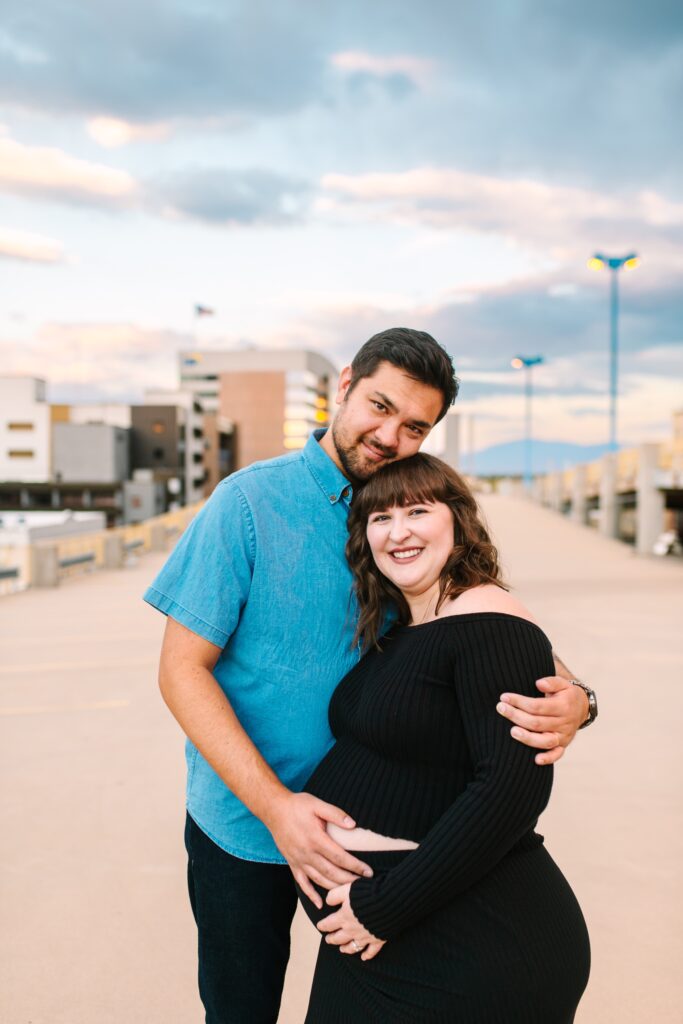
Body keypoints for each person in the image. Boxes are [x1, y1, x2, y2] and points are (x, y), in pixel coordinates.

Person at [143, 328, 595, 1024]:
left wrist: (578, 700)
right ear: (344, 385)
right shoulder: (247, 504)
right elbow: (181, 671)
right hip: (245, 825)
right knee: (240, 1010)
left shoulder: (403, 519)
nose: (388, 435)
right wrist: (276, 808)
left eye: (414, 426)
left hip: (380, 849)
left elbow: (481, 625)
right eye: (378, 406)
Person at [298, 452, 591, 1022]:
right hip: (388, 934)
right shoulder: (406, 628)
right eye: (379, 518)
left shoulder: (489, 618)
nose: (398, 531)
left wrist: (385, 908)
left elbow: (511, 790)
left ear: (457, 521)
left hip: (468, 938)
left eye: (417, 511)